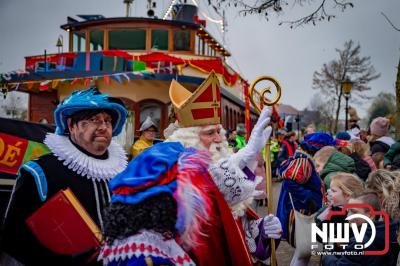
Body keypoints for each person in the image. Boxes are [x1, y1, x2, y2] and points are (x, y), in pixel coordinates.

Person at [164, 71, 282, 265]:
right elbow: (207, 182)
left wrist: (261, 230)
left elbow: (235, 229)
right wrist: (247, 153)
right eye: (210, 133)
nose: (219, 139)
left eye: (219, 130)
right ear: (189, 139)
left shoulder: (223, 171)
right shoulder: (172, 171)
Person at [1, 88, 128, 265]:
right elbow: (15, 241)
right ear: (71, 125)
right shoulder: (40, 171)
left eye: (107, 121)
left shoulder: (124, 173)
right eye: (94, 120)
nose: (103, 127)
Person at [323, 191, 400, 266]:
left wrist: (327, 256)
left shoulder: (359, 243)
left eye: (354, 212)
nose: (348, 216)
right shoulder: (390, 230)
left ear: (370, 215)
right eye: (348, 211)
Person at [314, 173, 363, 252]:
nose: (328, 193)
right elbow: (320, 237)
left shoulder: (356, 215)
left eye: (333, 191)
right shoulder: (333, 210)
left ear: (347, 195)